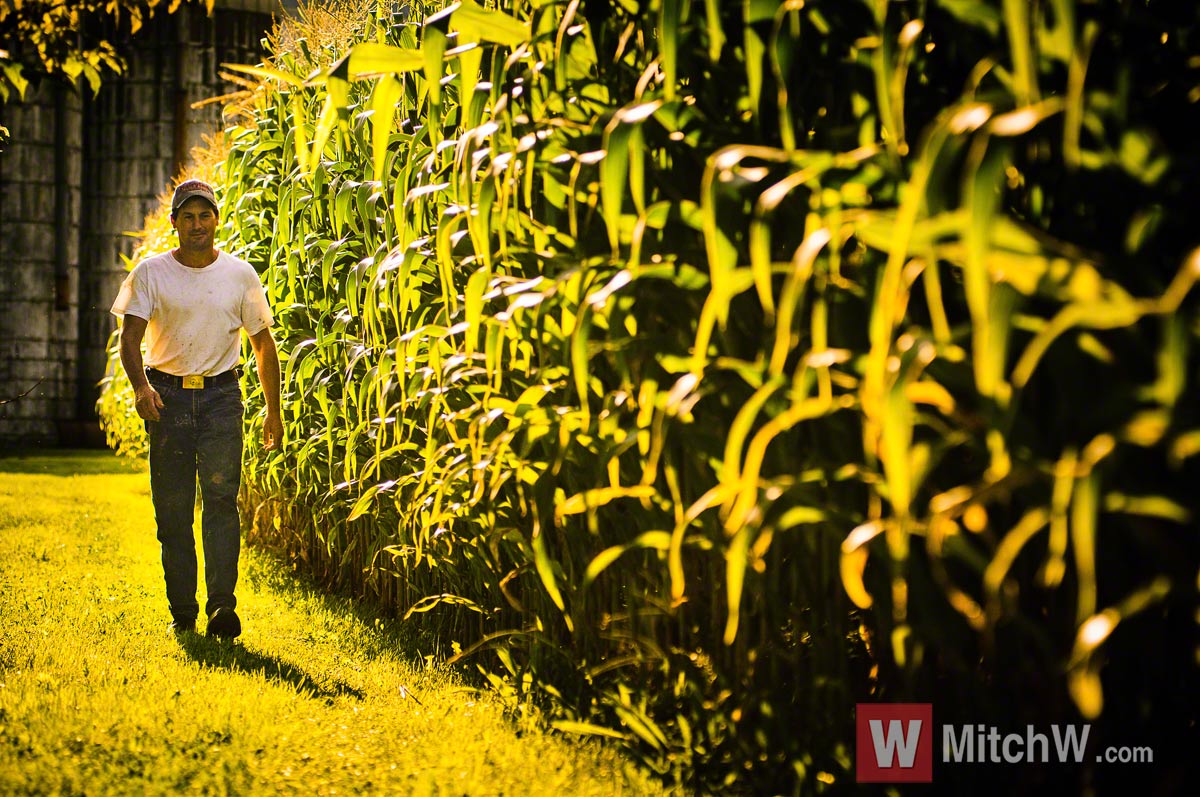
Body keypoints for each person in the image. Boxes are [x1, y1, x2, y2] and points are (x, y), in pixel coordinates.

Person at [110, 178, 283, 639]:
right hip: (166, 398)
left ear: (216, 220)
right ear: (174, 223)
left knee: (223, 502)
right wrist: (141, 388)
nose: (197, 224)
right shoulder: (150, 273)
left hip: (222, 398)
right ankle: (183, 612)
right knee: (173, 510)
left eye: (204, 215)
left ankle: (222, 608)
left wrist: (274, 411)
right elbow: (129, 339)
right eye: (187, 216)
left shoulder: (240, 275)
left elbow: (263, 345)